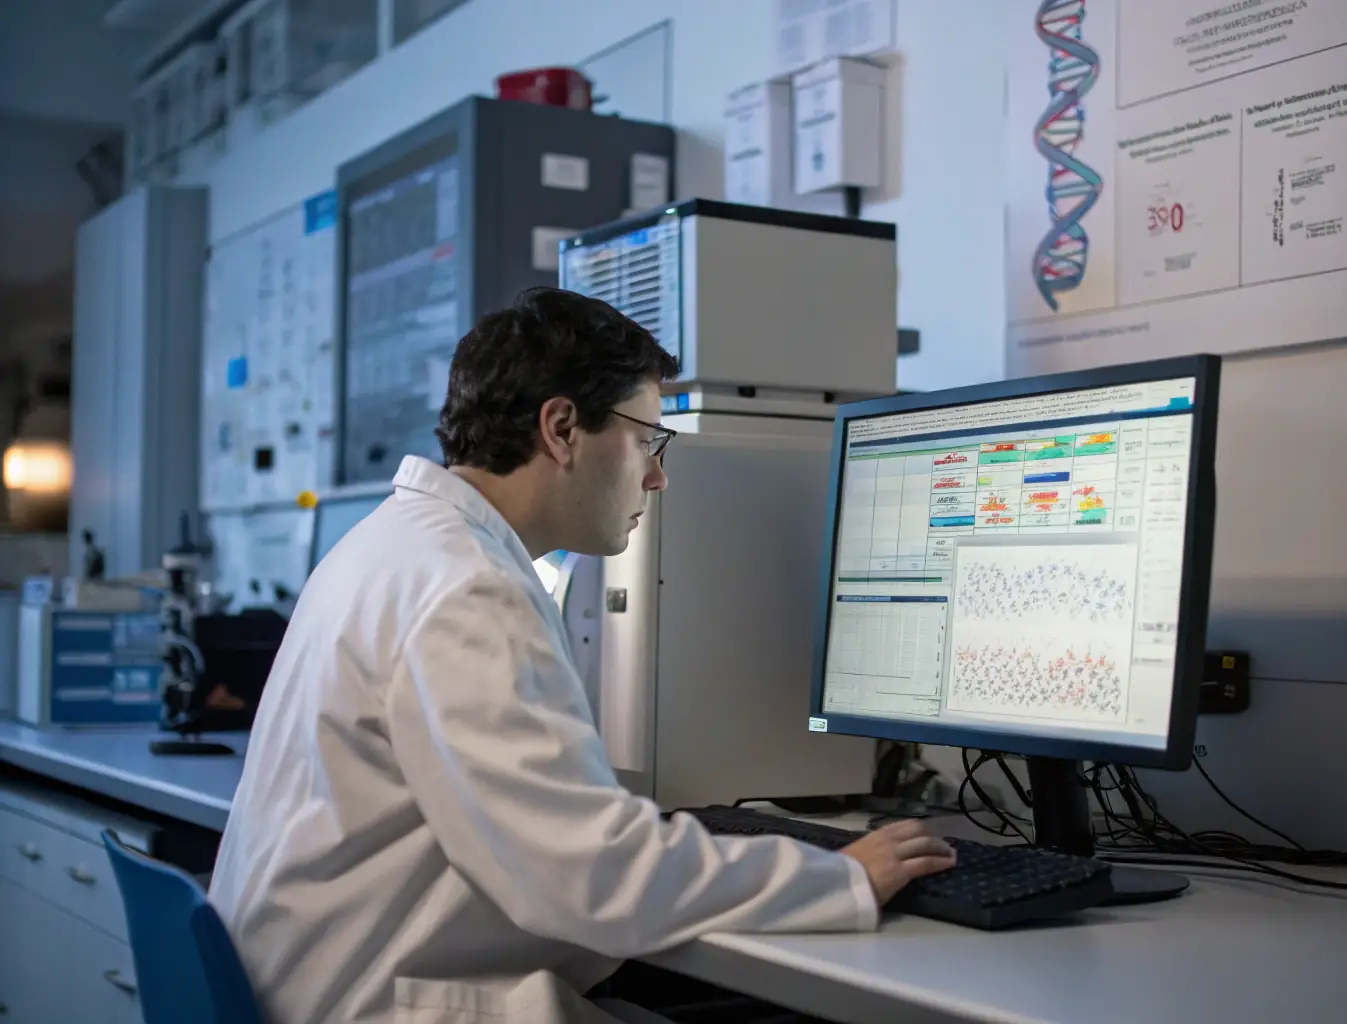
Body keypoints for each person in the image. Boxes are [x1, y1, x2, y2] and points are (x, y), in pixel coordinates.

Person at [209, 288, 957, 1024]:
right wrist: (839, 877)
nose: (658, 477)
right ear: (562, 428)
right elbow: (592, 877)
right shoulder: (467, 590)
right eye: (645, 441)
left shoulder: (397, 546)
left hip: (320, 980)